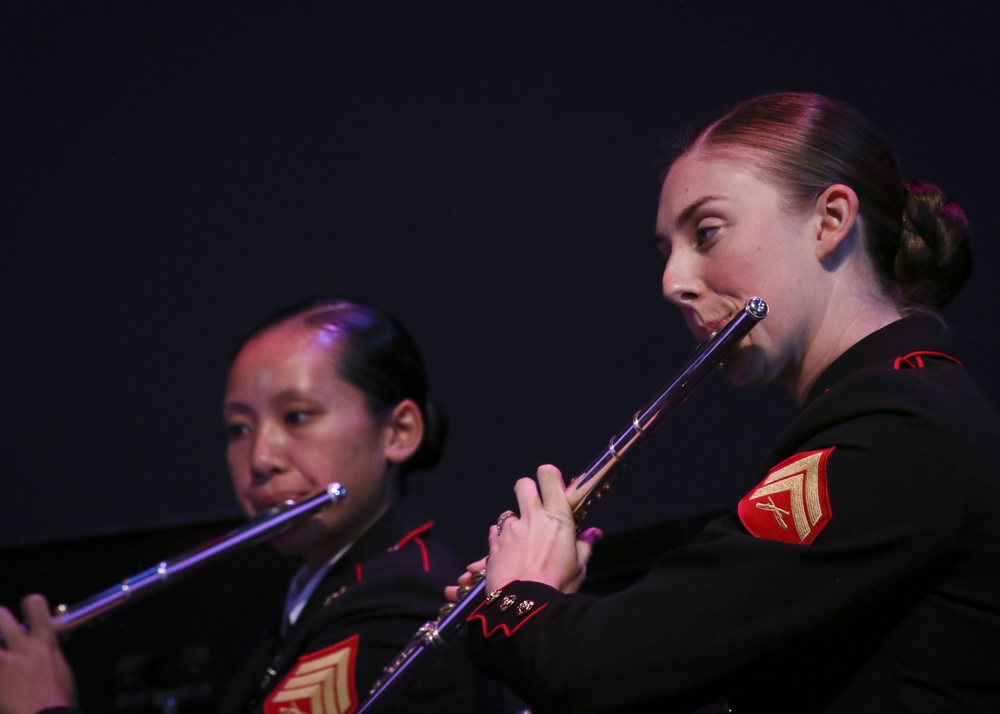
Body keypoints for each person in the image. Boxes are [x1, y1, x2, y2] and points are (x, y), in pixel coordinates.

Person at [448, 92, 1000, 712]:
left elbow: (611, 665)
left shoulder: (895, 429)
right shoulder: (891, 410)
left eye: (706, 233)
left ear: (830, 220)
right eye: (667, 252)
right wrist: (554, 605)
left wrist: (519, 598)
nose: (674, 283)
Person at [0, 297, 479, 714]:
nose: (260, 459)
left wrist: (45, 707)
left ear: (399, 433)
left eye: (297, 417)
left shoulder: (404, 601)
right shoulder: (319, 589)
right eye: (239, 429)